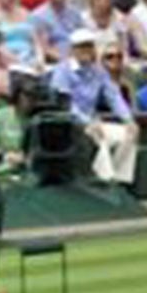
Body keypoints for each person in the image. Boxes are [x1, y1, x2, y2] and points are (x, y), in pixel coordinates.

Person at [49, 28, 138, 184]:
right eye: (82, 47)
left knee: (128, 134)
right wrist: (87, 122)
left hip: (93, 122)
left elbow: (114, 96)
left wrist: (128, 119)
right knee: (99, 138)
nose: (87, 50)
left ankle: (119, 179)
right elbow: (64, 104)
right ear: (73, 50)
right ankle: (105, 182)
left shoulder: (99, 71)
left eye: (89, 46)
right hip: (69, 123)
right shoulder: (62, 72)